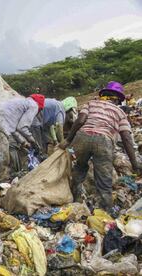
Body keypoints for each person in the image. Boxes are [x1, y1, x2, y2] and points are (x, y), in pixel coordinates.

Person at [60, 81, 140, 215]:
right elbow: (126, 138)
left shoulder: (91, 103)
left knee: (79, 168)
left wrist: (68, 140)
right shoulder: (120, 112)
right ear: (118, 99)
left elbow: (79, 121)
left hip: (81, 137)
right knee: (104, 179)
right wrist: (135, 164)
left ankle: (76, 200)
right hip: (104, 141)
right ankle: (105, 212)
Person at [0, 94, 45, 182]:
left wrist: (24, 142)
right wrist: (33, 141)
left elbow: (14, 128)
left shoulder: (21, 102)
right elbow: (22, 127)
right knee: (2, 160)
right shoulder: (34, 105)